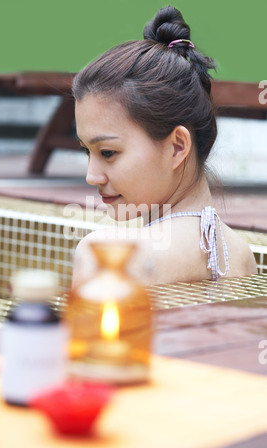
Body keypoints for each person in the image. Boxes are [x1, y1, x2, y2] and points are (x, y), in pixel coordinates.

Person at [71, 5, 257, 287]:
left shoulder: (107, 257)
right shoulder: (242, 256)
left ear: (178, 147)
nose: (91, 176)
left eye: (107, 152)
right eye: (87, 151)